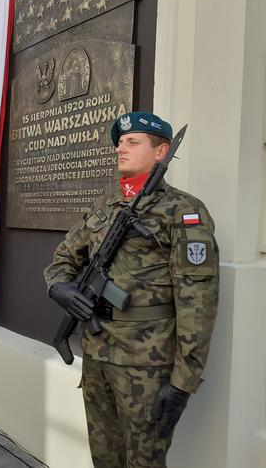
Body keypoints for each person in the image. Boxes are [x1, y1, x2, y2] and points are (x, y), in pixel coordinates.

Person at [44, 112, 219, 468]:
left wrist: (183, 382)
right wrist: (60, 287)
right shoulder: (104, 207)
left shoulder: (183, 212)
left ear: (161, 152)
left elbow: (197, 303)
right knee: (104, 455)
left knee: (144, 461)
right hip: (97, 356)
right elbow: (64, 257)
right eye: (119, 142)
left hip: (146, 364)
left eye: (132, 141)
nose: (120, 148)